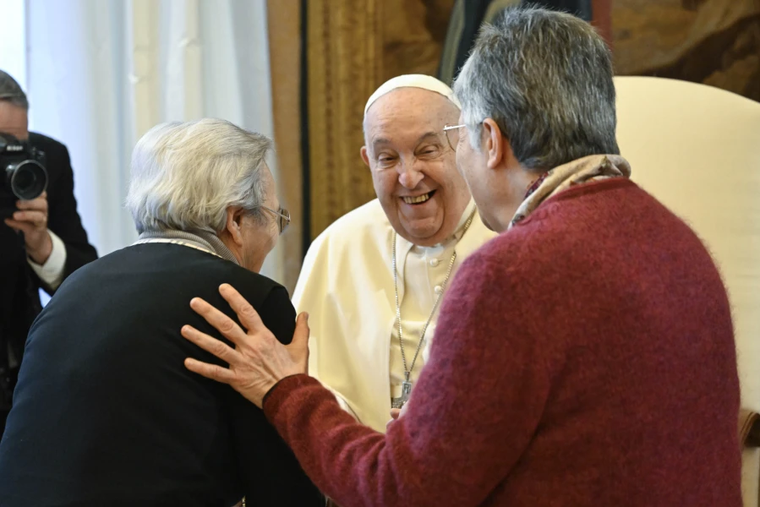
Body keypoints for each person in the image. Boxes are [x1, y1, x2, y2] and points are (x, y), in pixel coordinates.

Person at [180, 7, 743, 507]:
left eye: (452, 142)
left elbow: (401, 491)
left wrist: (286, 389)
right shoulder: (679, 243)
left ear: (491, 141)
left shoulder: (512, 273)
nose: (412, 174)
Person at [0, 119, 323, 507]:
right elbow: (285, 489)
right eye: (276, 219)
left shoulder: (77, 286)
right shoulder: (248, 300)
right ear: (235, 221)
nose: (275, 235)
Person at [294, 74, 495, 432]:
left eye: (427, 150)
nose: (408, 177)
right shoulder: (337, 246)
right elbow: (305, 386)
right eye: (387, 158)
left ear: (463, 141)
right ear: (367, 161)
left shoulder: (510, 235)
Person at [0, 70, 97, 434]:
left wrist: (41, 245)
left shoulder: (44, 162)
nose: (8, 158)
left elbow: (87, 279)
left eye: (17, 143)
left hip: (25, 377)